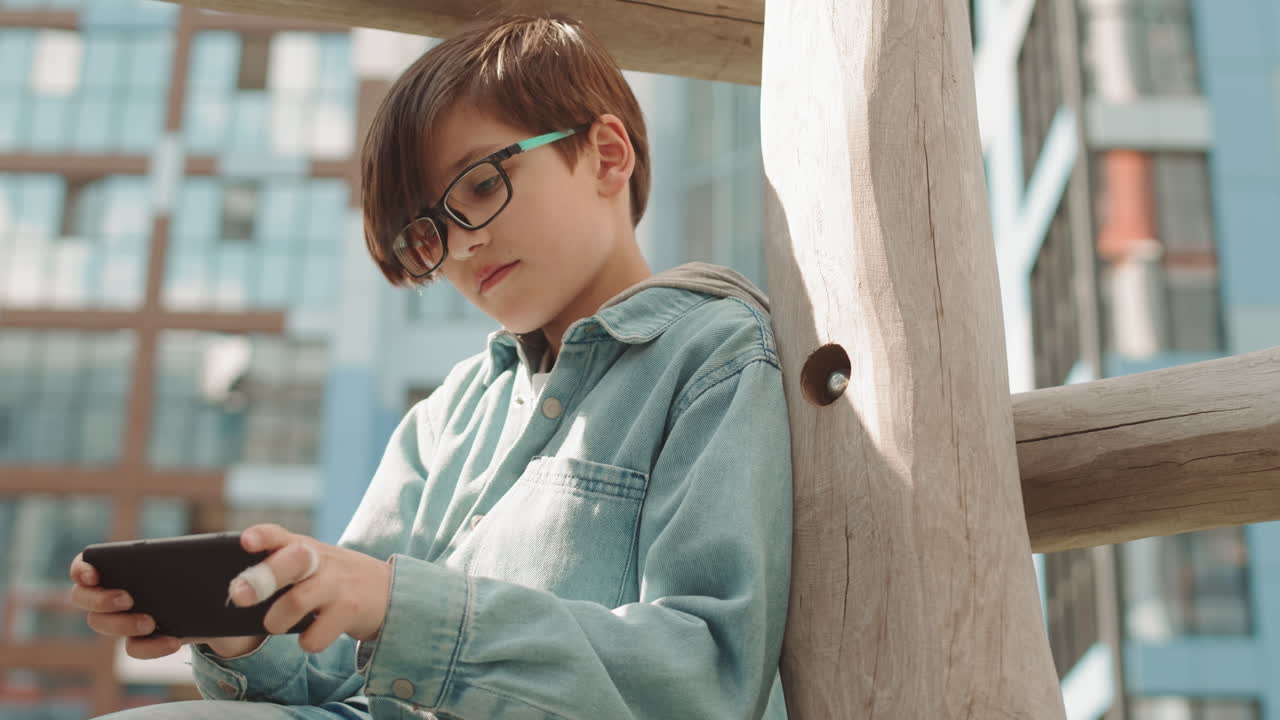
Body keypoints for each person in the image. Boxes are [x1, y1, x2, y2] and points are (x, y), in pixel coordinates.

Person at [70, 13, 793, 720]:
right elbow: (333, 672)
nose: (458, 246)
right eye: (426, 233)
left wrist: (397, 604)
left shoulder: (715, 354)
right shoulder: (449, 413)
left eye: (479, 185)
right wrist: (245, 628)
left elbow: (707, 680)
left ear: (607, 155)